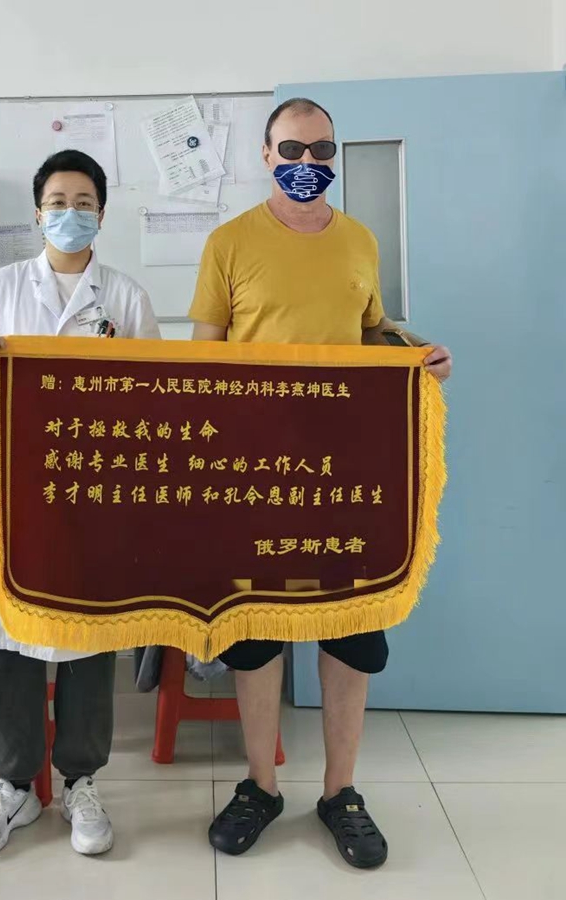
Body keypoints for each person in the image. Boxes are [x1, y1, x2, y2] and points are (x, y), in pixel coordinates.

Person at [189, 98, 452, 868]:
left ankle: (341, 793)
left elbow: (370, 337)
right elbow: (201, 363)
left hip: (347, 473)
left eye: (321, 149)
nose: (307, 163)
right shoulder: (229, 243)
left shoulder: (359, 241)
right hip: (254, 476)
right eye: (291, 149)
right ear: (264, 156)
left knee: (351, 629)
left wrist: (415, 357)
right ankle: (259, 786)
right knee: (254, 632)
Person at [0, 149, 161, 857]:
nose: (71, 213)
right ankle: (13, 788)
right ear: (38, 214)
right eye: (58, 202)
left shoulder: (124, 297)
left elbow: (155, 392)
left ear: (102, 213)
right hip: (17, 494)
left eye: (84, 202)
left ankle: (80, 782)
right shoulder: (1, 287)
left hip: (93, 495)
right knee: (12, 635)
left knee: (86, 638)